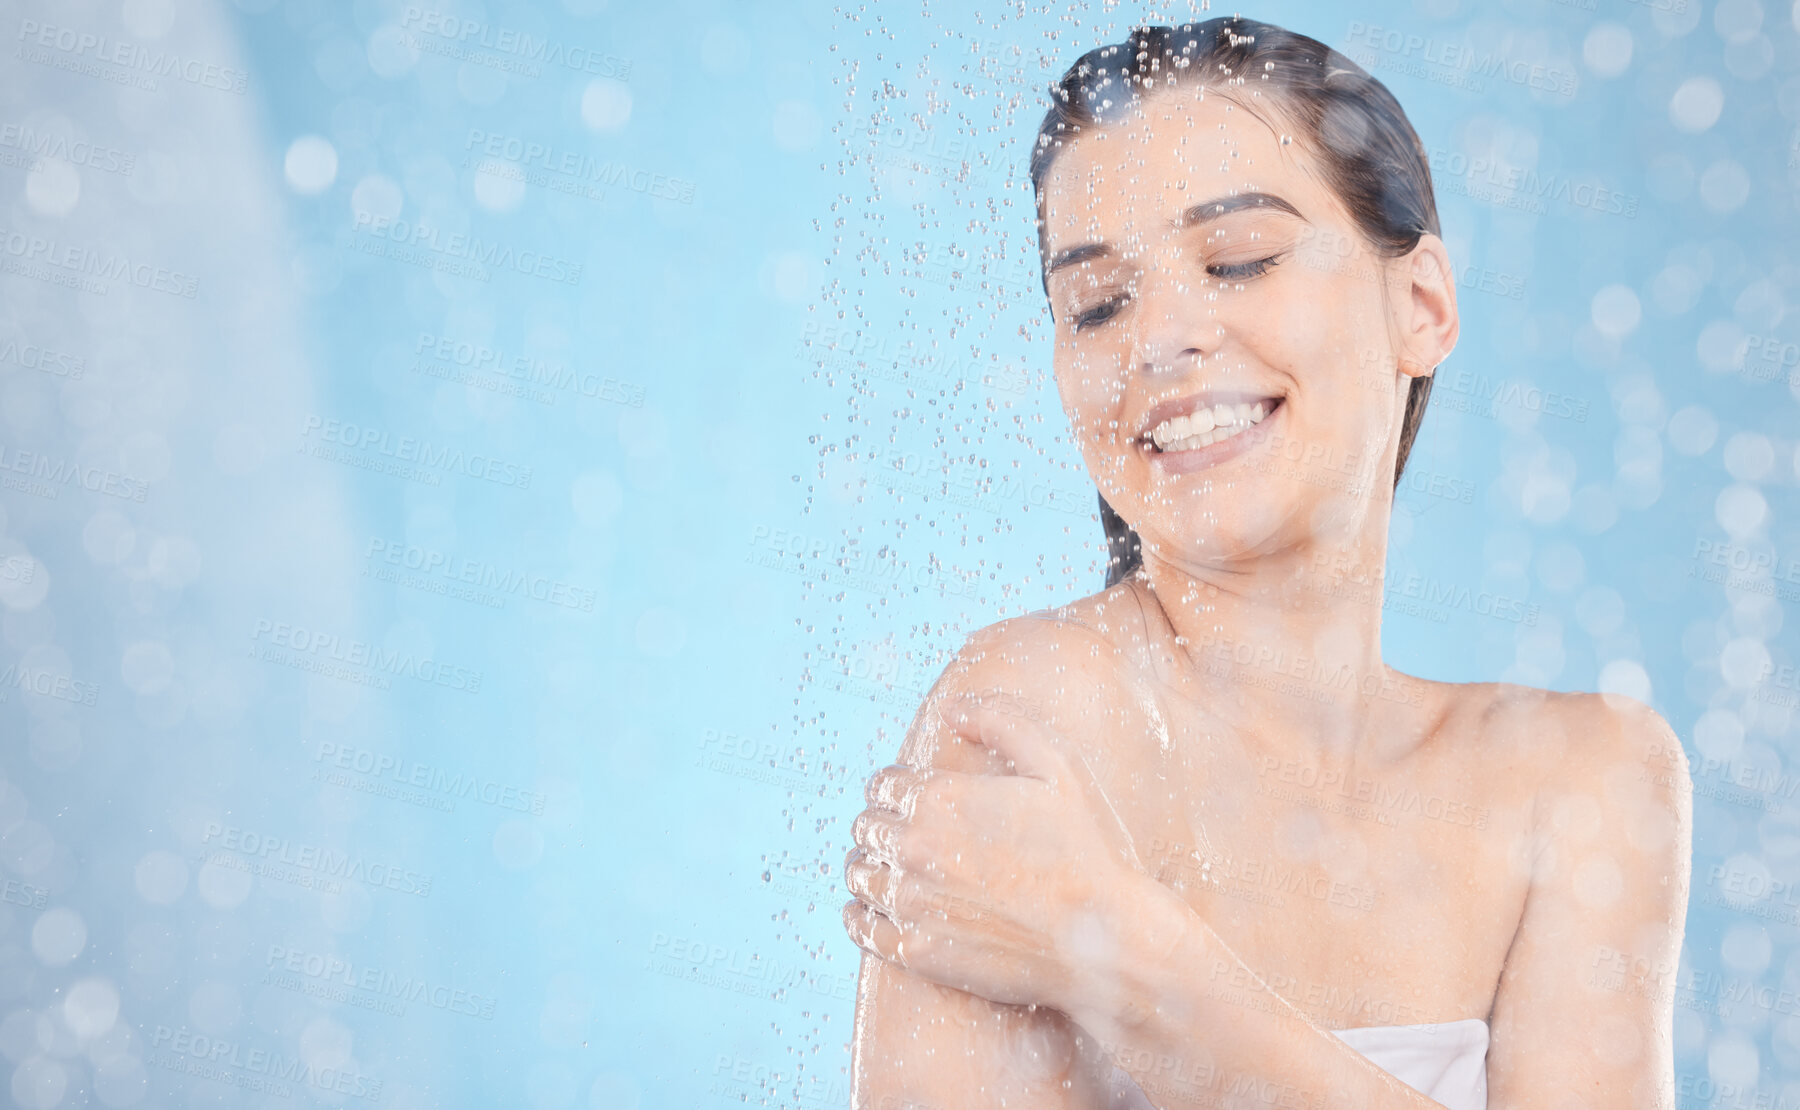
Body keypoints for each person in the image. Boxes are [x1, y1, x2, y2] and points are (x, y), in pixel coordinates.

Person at [840, 17, 1692, 1110]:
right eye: (1097, 302)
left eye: (1236, 260)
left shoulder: (1582, 781)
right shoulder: (1029, 720)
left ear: (1422, 307)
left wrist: (1130, 962)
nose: (1158, 340)